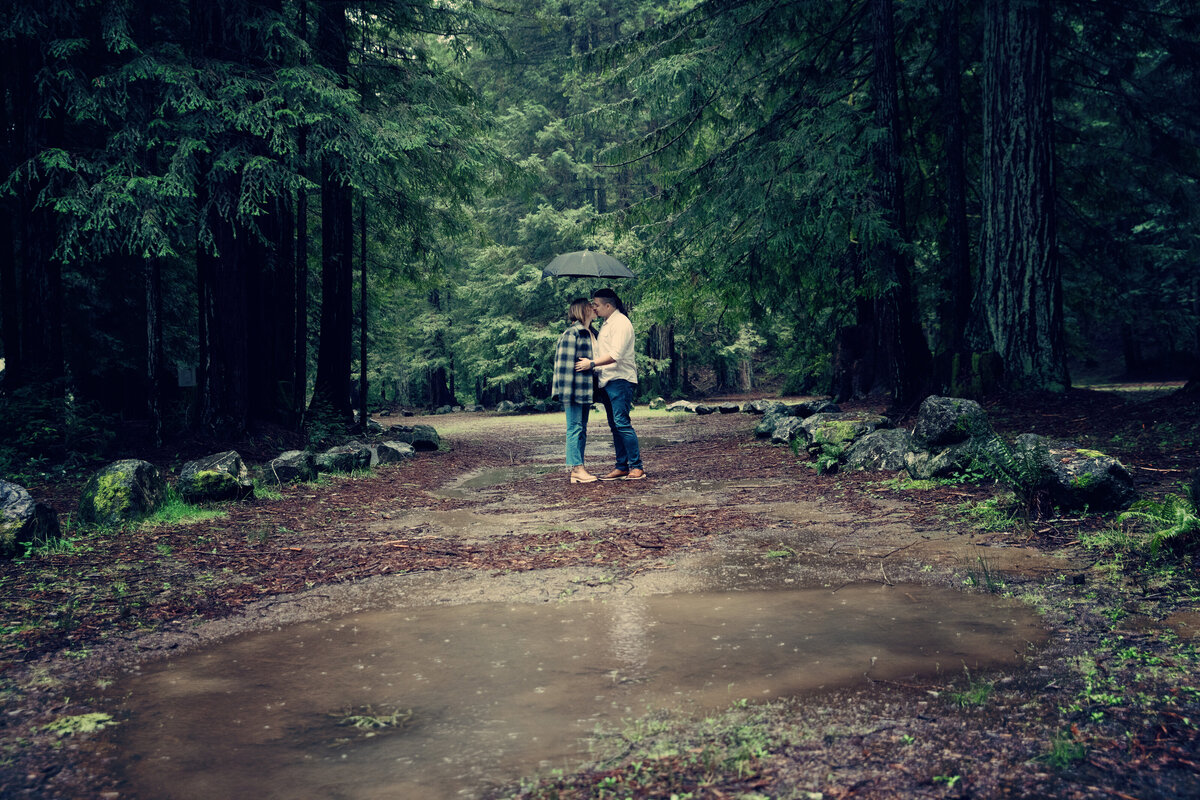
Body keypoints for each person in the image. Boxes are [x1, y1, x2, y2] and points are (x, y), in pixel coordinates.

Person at [575, 288, 645, 480]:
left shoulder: (621, 323)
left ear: (608, 305)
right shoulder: (607, 324)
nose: (593, 308)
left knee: (622, 423)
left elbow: (616, 355)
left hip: (620, 379)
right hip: (607, 380)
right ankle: (621, 466)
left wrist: (591, 363)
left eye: (596, 305)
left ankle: (636, 466)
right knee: (615, 425)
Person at [552, 298, 599, 483]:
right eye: (591, 306)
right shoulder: (572, 334)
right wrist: (565, 393)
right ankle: (576, 469)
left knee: (582, 429)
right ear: (582, 310)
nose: (594, 308)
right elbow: (563, 366)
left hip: (586, 390)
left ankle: (579, 469)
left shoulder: (591, 333)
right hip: (572, 390)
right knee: (574, 428)